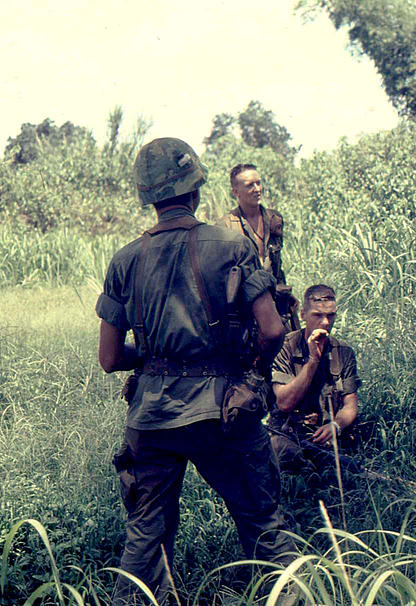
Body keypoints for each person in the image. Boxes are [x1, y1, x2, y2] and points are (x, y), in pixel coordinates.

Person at [96, 138, 296, 605]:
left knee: (145, 538)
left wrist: (154, 357)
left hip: (151, 419)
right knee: (262, 522)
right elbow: (272, 331)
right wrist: (249, 378)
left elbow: (108, 358)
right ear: (196, 189)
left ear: (149, 197)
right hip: (222, 410)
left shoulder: (125, 259)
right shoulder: (230, 245)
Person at [267, 284, 362, 485]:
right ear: (303, 314)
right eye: (317, 315)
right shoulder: (284, 347)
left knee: (347, 469)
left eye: (331, 316)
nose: (325, 322)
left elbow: (350, 405)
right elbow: (284, 402)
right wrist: (313, 360)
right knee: (283, 454)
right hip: (288, 434)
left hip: (324, 437)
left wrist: (336, 425)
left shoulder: (342, 352)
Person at [218, 163, 299, 330]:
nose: (257, 189)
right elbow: (224, 278)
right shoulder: (225, 226)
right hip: (245, 309)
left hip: (277, 303)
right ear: (236, 192)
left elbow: (277, 264)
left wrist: (287, 295)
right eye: (249, 185)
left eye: (259, 183)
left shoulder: (274, 219)